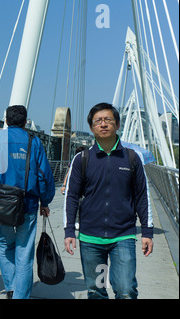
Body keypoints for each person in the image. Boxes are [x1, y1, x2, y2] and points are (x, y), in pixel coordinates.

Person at [63, 102, 153, 299]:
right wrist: (69, 230)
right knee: (97, 290)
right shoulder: (82, 159)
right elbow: (71, 196)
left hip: (123, 236)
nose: (103, 124)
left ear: (117, 124)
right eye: (98, 121)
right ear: (91, 127)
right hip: (90, 239)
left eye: (108, 120)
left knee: (125, 290)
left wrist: (147, 232)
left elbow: (142, 197)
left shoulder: (132, 158)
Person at [0, 105, 55, 299]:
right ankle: (20, 295)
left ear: (6, 119)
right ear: (25, 121)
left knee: (5, 243)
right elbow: (44, 175)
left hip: (3, 203)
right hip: (28, 203)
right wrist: (45, 201)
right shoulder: (34, 141)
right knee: (24, 251)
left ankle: (11, 287)